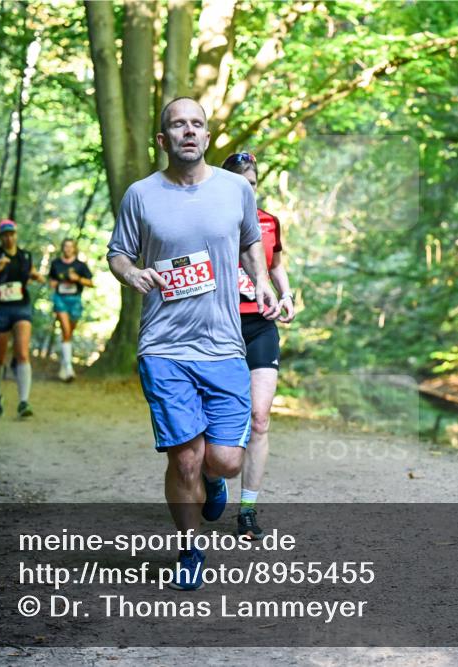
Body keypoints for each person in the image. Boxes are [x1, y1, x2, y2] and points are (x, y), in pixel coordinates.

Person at [107, 97, 278, 590]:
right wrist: (132, 273)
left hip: (224, 344)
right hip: (164, 346)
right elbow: (118, 253)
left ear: (206, 136)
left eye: (196, 124)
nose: (188, 131)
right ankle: (189, 548)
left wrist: (261, 282)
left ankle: (213, 478)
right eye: (178, 125)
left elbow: (251, 243)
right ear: (163, 139)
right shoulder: (141, 194)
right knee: (184, 456)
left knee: (225, 460)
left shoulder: (234, 190)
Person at [221, 152, 297, 540]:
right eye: (239, 184)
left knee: (259, 418)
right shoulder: (210, 221)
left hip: (260, 325)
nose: (247, 191)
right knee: (215, 420)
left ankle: (247, 510)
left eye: (252, 184)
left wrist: (287, 295)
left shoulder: (269, 222)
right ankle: (212, 478)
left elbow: (276, 264)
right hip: (219, 326)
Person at [0, 219, 45, 417]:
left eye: (11, 234)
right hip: (0, 309)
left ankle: (24, 401)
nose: (9, 238)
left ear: (16, 235)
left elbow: (31, 273)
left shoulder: (25, 256)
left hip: (21, 307)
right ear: (0, 237)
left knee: (22, 353)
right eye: (5, 235)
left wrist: (37, 277)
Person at [49, 238, 93, 381]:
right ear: (62, 248)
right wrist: (53, 283)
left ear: (74, 249)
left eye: (70, 246)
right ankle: (68, 368)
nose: (68, 249)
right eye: (66, 246)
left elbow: (90, 282)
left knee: (68, 334)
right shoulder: (56, 263)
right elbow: (51, 280)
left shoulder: (80, 265)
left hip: (75, 301)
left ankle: (63, 365)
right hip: (60, 299)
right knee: (66, 330)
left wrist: (78, 279)